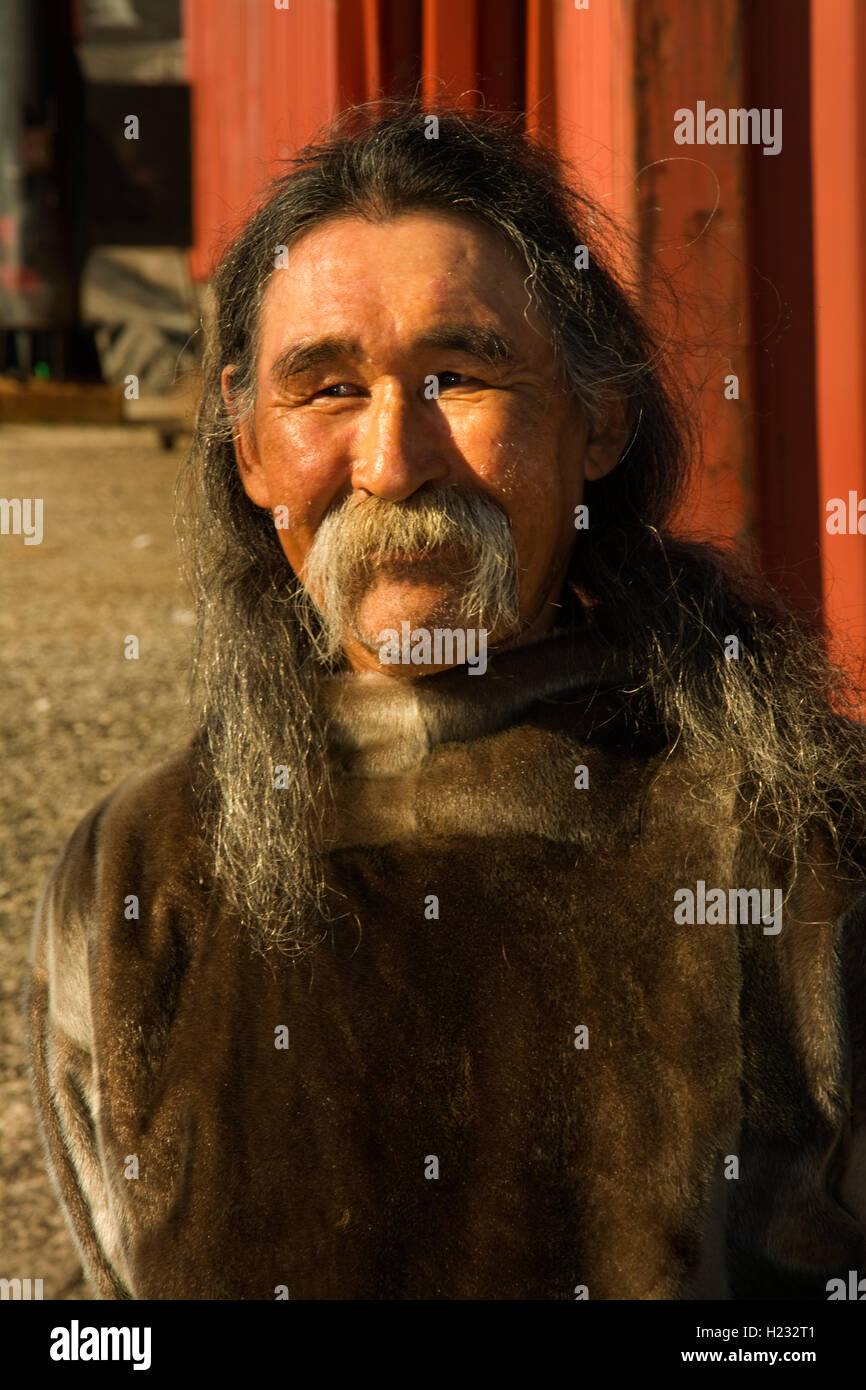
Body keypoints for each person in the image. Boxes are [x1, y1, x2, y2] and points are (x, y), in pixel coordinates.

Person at [28, 100, 866, 1300]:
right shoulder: (134, 875)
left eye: (457, 376)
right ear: (248, 444)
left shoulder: (800, 843)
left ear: (598, 421)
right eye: (324, 390)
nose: (391, 463)